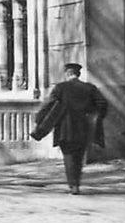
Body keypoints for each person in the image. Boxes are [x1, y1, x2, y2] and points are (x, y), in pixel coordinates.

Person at [30, 62, 108, 194]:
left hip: (65, 129)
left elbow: (48, 105)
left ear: (67, 74)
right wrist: (95, 117)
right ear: (78, 74)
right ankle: (76, 182)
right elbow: (102, 104)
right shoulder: (89, 88)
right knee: (79, 157)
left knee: (68, 157)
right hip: (84, 128)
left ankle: (73, 185)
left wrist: (38, 120)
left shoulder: (61, 88)